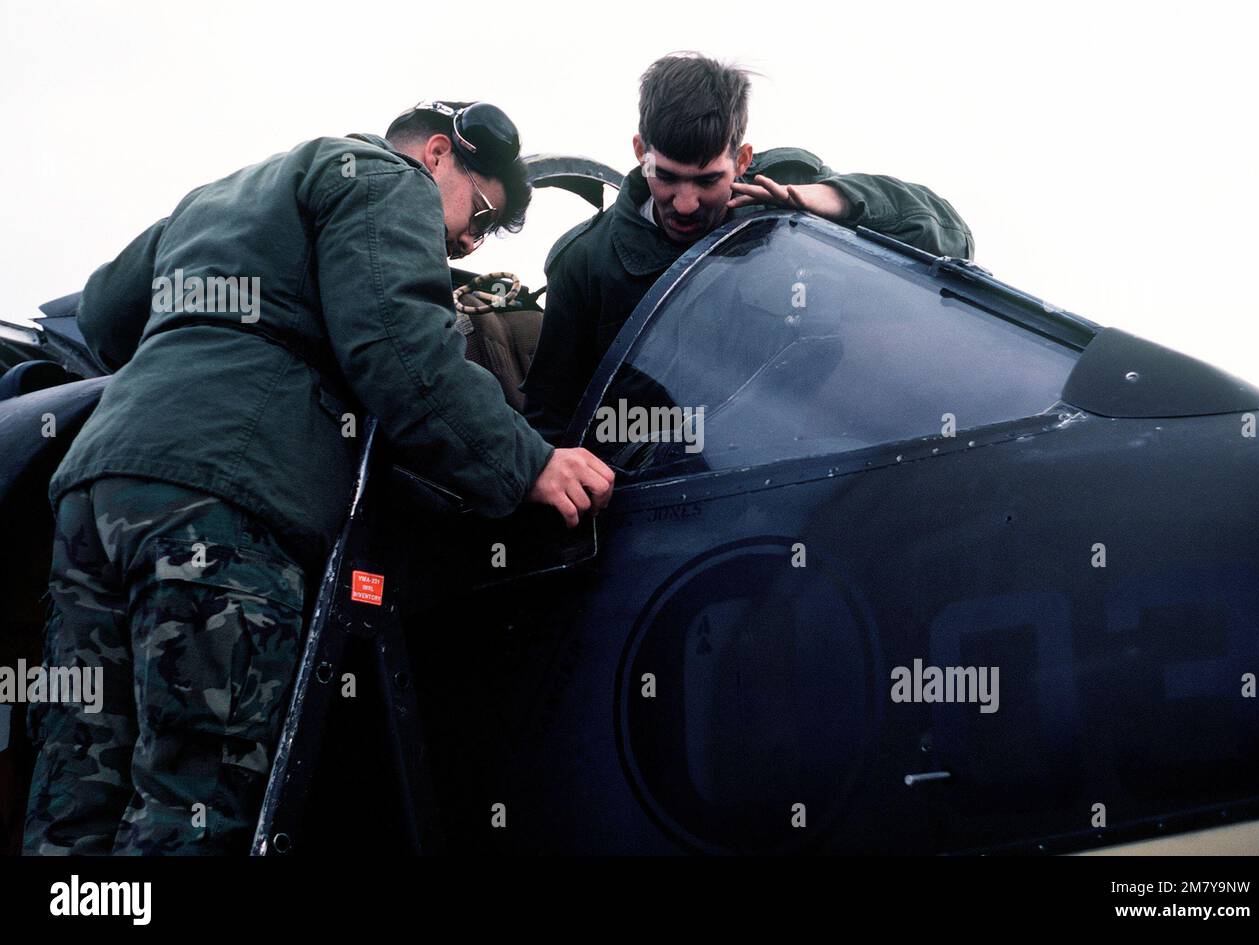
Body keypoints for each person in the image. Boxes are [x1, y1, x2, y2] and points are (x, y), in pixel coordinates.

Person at [22, 101, 614, 855]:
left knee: (77, 791)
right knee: (193, 798)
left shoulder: (220, 198)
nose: (471, 240)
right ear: (436, 155)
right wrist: (529, 460)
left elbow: (105, 317)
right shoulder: (386, 180)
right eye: (484, 211)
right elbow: (401, 355)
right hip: (224, 505)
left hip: (97, 494)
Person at [522, 54, 976, 443]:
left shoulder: (791, 191)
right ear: (641, 151)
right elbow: (553, 426)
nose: (684, 203)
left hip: (798, 462)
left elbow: (954, 240)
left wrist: (835, 200)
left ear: (741, 161)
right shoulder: (585, 262)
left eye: (707, 180)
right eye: (667, 176)